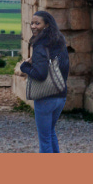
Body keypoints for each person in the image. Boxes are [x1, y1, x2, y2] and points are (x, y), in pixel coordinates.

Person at [19, 10, 69, 153]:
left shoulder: (40, 45)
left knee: (44, 139)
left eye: (37, 23)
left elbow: (40, 75)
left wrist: (25, 67)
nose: (33, 26)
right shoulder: (59, 41)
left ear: (46, 25)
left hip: (45, 98)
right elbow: (65, 67)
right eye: (32, 23)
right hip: (60, 94)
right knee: (50, 132)